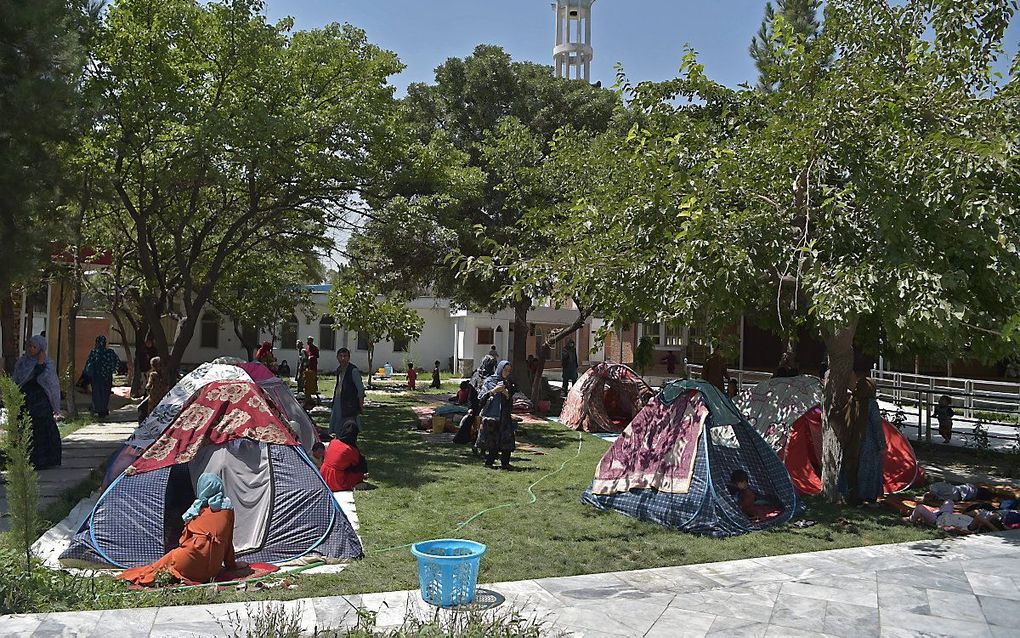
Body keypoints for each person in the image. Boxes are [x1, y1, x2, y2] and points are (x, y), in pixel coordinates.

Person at [118, 473, 237, 586]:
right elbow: (228, 541)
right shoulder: (227, 510)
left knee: (161, 565)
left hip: (190, 560)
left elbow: (183, 540)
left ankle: (137, 577)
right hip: (213, 569)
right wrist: (230, 565)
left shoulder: (196, 511)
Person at [12, 335, 62, 469]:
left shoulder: (47, 364)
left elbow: (51, 385)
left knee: (42, 429)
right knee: (26, 427)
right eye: (29, 346)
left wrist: (40, 365)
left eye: (34, 347)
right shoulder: (23, 362)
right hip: (25, 400)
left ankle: (45, 460)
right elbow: (18, 379)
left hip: (40, 402)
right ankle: (27, 459)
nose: (31, 349)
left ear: (41, 349)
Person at [840, 372, 887, 504]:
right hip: (869, 443)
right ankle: (868, 497)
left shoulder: (852, 401)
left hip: (853, 442)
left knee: (854, 467)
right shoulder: (871, 404)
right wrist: (882, 445)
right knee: (868, 470)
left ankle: (852, 495)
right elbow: (877, 425)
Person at [477, 360, 517, 469]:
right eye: (505, 370)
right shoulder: (489, 381)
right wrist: (494, 391)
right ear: (500, 369)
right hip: (491, 417)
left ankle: (505, 463)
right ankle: (489, 463)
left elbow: (510, 401)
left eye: (509, 371)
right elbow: (481, 399)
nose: (507, 373)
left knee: (507, 442)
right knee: (492, 444)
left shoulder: (508, 383)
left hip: (504, 416)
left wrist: (506, 394)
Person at [312, 419, 368, 491]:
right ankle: (356, 485)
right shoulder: (351, 450)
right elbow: (358, 465)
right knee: (359, 475)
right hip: (335, 480)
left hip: (323, 475)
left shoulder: (333, 442)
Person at [329, 347, 365, 437]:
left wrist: (360, 406)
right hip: (338, 401)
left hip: (349, 403)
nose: (343, 358)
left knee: (348, 427)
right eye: (340, 356)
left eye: (345, 356)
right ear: (337, 357)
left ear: (349, 357)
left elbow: (360, 390)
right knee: (337, 426)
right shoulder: (339, 370)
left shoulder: (353, 371)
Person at [84, 335, 120, 417]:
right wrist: (112, 370)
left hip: (96, 377)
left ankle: (97, 408)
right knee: (105, 393)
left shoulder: (94, 352)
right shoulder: (110, 352)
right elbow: (117, 363)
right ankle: (103, 409)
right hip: (107, 377)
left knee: (96, 393)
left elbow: (88, 365)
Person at [139, 356, 170, 423]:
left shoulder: (153, 375)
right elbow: (167, 385)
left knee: (143, 408)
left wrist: (145, 386)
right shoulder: (165, 375)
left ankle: (145, 423)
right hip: (163, 397)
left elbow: (148, 386)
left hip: (154, 397)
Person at [304, 336, 320, 406]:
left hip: (313, 367)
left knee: (312, 381)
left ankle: (315, 395)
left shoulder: (315, 348)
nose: (308, 342)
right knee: (307, 382)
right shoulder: (307, 348)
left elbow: (317, 356)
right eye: (308, 340)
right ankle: (308, 397)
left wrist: (312, 357)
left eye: (310, 340)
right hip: (308, 367)